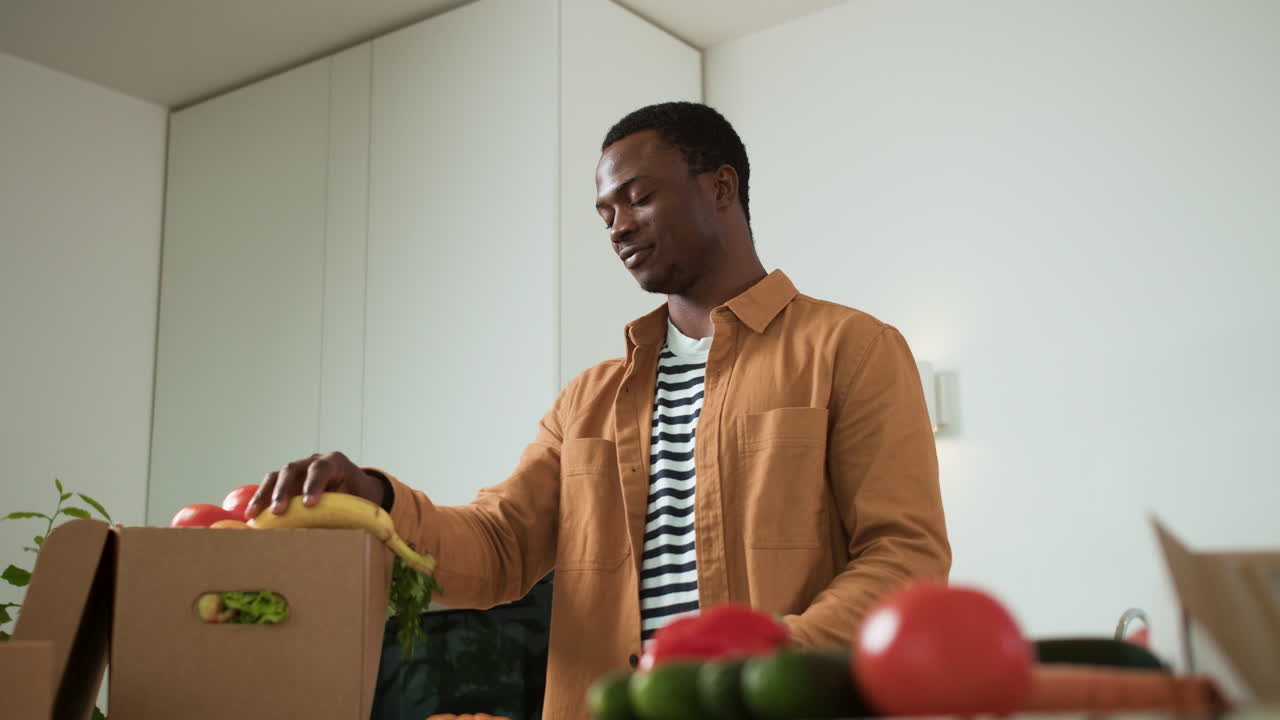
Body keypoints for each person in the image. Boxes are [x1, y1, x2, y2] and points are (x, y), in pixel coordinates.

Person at [247, 102, 950, 719]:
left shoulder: (852, 350)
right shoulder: (588, 400)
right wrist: (378, 498)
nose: (617, 227)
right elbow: (498, 546)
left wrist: (773, 653)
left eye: (637, 198)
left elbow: (903, 553)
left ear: (722, 187)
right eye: (605, 213)